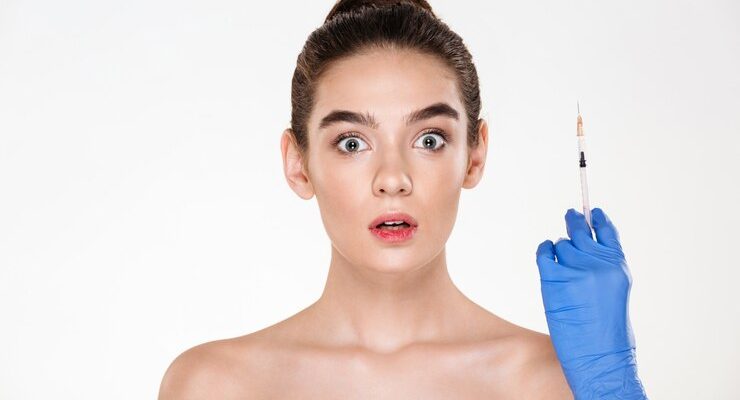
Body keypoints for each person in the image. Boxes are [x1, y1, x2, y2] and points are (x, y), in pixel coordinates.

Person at [159, 1, 646, 398]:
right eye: (352, 143)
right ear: (297, 163)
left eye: (429, 139)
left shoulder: (552, 384)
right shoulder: (215, 386)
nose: (393, 179)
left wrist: (612, 389)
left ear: (474, 155)